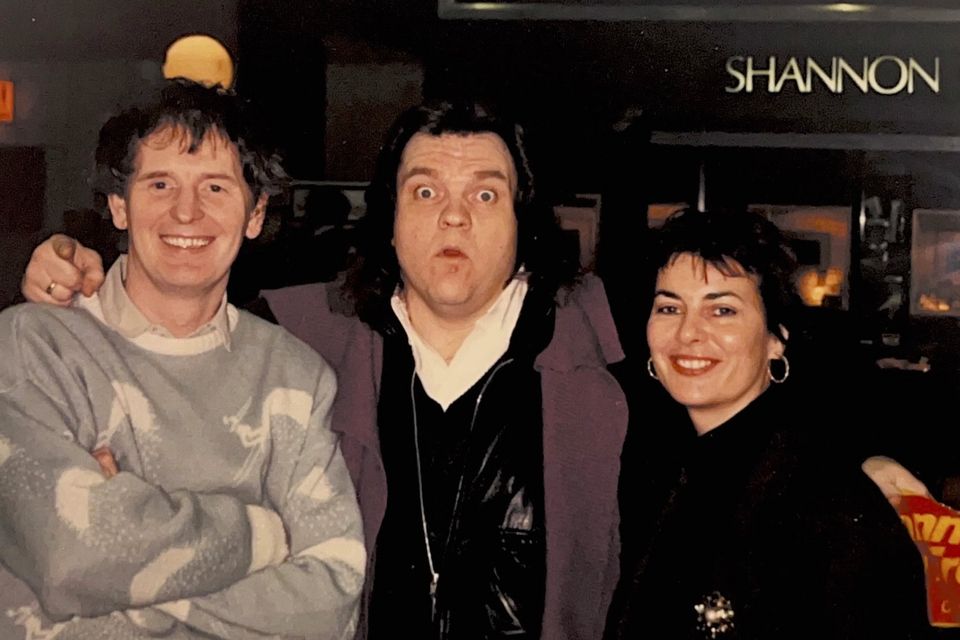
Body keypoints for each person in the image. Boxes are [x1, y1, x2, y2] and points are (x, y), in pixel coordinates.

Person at [22, 100, 629, 639]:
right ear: (388, 219)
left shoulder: (606, 359)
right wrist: (72, 282)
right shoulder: (306, 337)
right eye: (425, 192)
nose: (454, 217)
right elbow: (176, 297)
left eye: (485, 194)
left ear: (523, 220)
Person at [1, 79, 364, 639]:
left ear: (256, 213)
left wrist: (127, 555)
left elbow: (330, 601)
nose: (186, 212)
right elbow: (71, 559)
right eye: (161, 183)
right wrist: (266, 536)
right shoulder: (34, 345)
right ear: (120, 205)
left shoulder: (296, 376)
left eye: (216, 187)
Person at [605, 208, 930, 640]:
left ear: (776, 339)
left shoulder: (819, 501)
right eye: (669, 307)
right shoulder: (651, 468)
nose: (688, 333)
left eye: (722, 310)